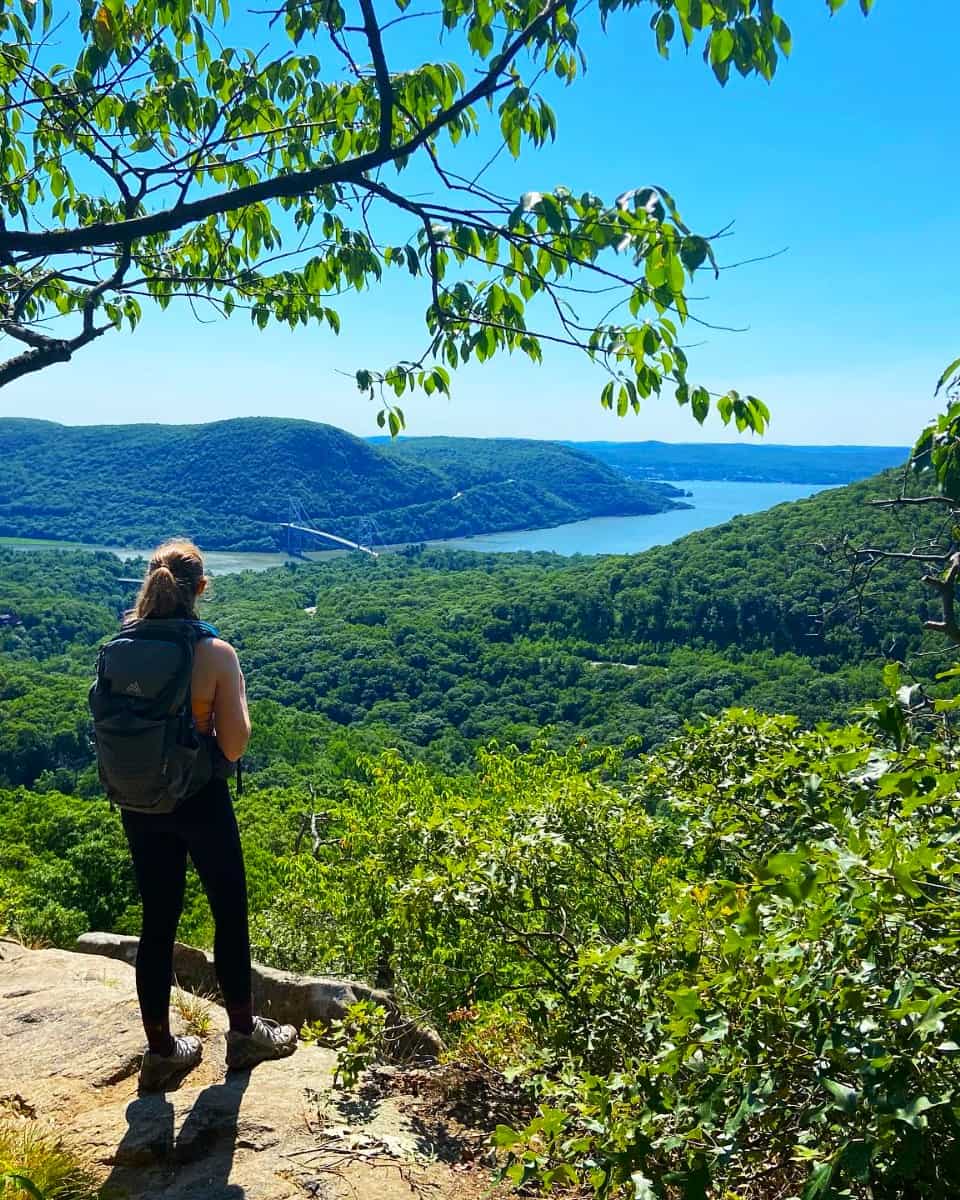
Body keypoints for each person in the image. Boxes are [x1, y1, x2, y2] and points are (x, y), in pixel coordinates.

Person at [119, 539, 297, 1091]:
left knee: (157, 919)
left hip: (140, 800)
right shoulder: (214, 653)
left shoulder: (118, 648)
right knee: (229, 910)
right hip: (198, 796)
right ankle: (242, 1034)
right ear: (201, 589)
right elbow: (237, 743)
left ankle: (160, 1051)